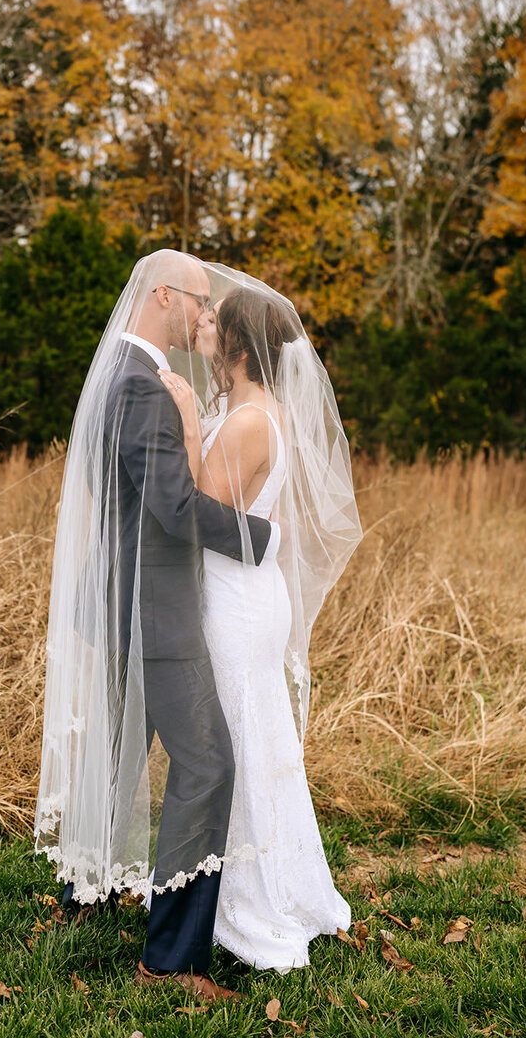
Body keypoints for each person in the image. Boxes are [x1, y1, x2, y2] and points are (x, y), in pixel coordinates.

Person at [34, 251, 282, 1003]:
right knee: (208, 767)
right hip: (157, 610)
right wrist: (261, 540)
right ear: (163, 296)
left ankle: (84, 899)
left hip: (118, 601)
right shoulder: (147, 387)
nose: (204, 317)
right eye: (198, 301)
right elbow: (175, 509)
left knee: (116, 761)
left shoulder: (117, 371)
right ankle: (171, 962)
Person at [156, 285, 362, 972]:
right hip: (247, 589)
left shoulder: (247, 420)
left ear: (240, 346)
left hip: (236, 600)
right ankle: (275, 883)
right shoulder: (250, 408)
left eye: (215, 321)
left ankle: (249, 903)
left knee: (239, 740)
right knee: (256, 734)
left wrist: (187, 423)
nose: (203, 326)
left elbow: (200, 515)